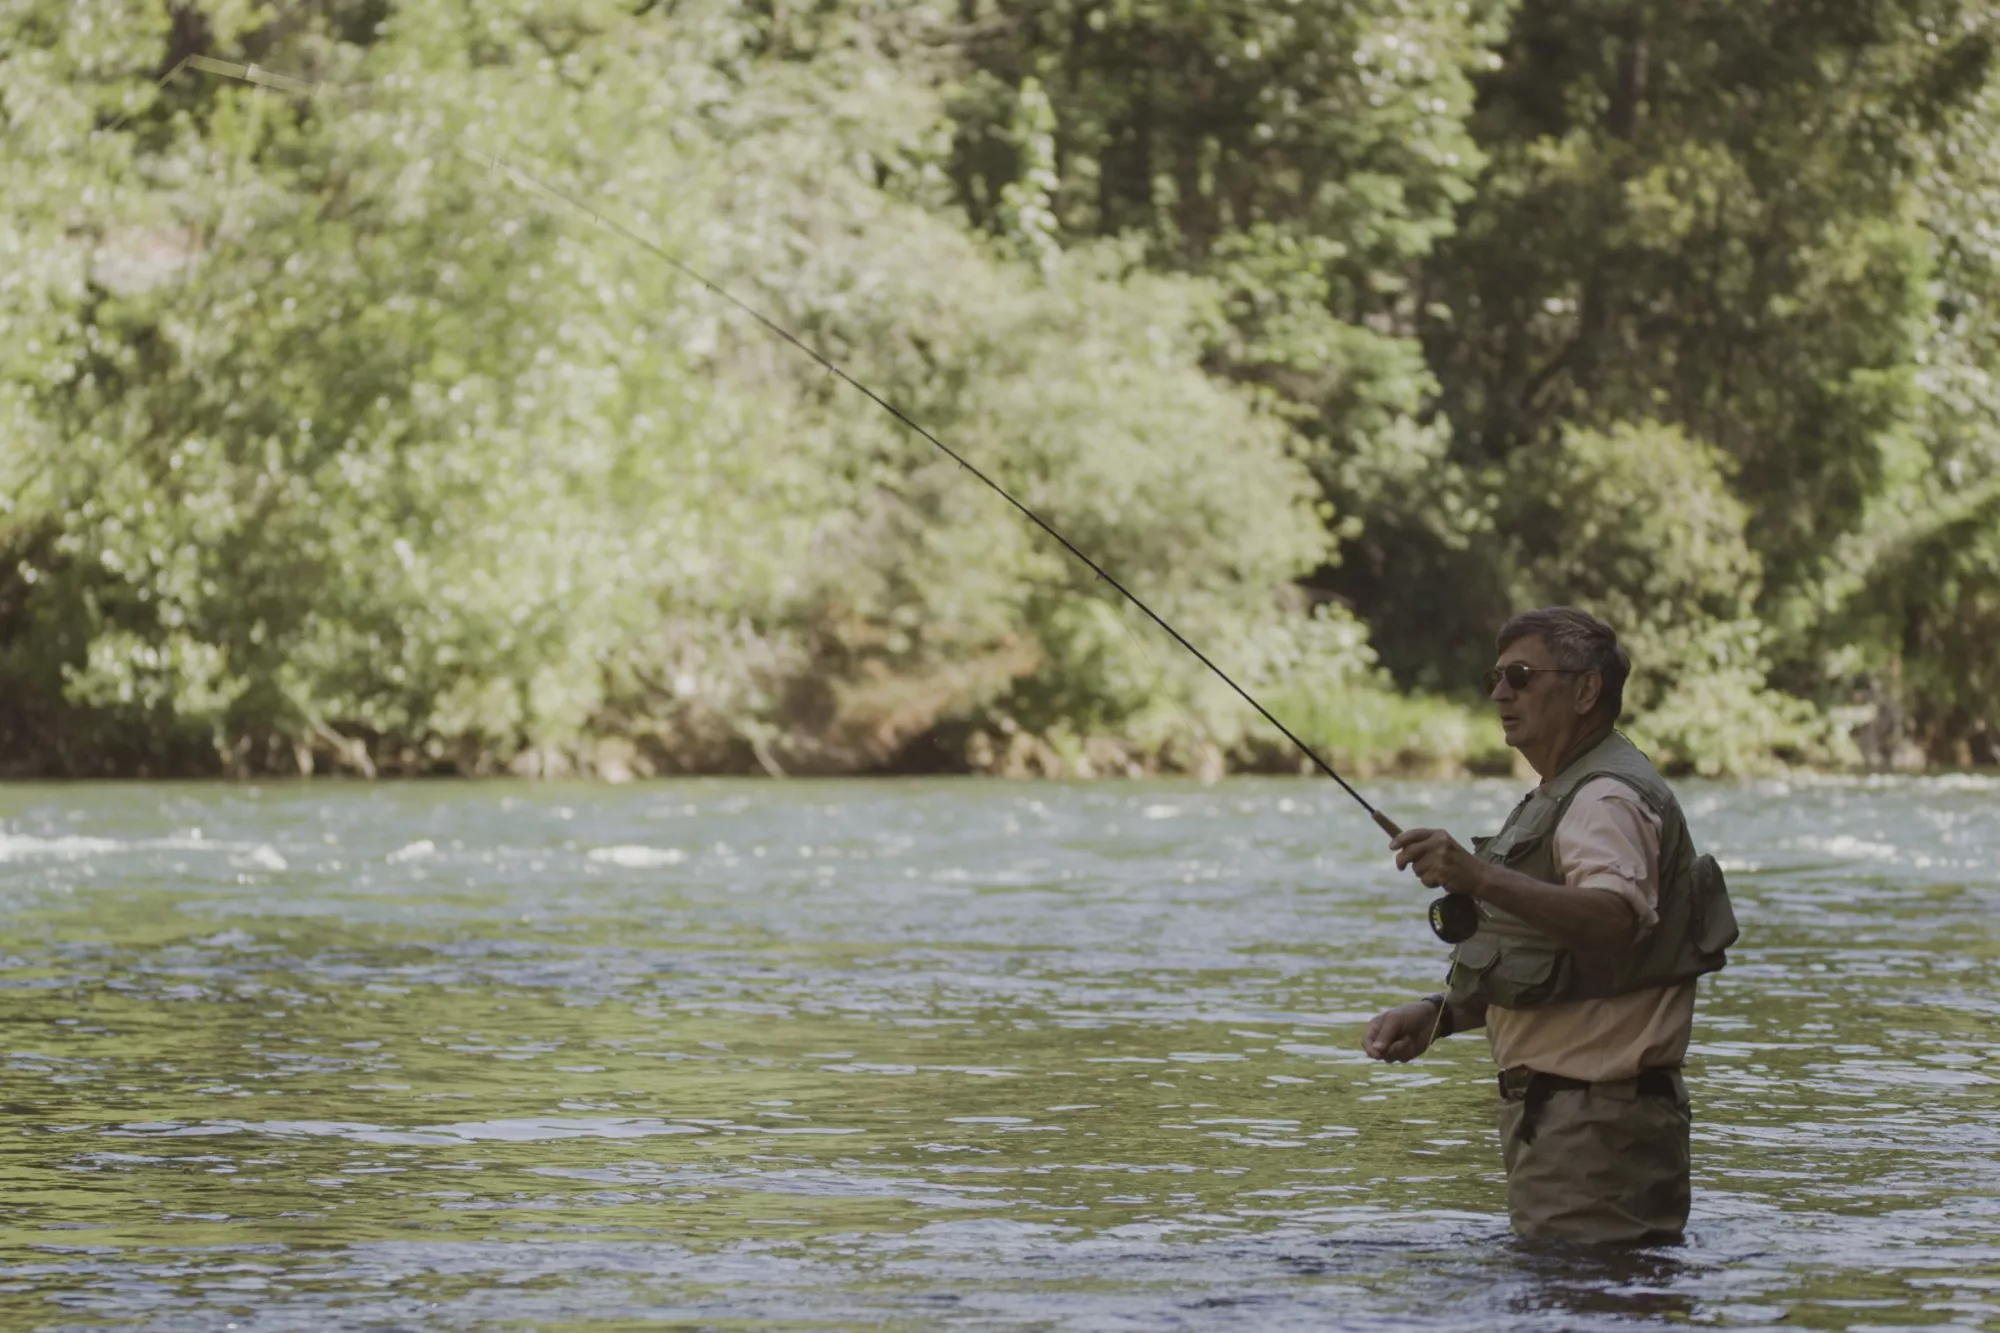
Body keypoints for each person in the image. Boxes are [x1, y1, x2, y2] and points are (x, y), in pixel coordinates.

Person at [1362, 606, 1736, 1245]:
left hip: (1596, 1131)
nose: (1501, 693)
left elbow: (1614, 921)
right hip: (1573, 1125)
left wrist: (1477, 877)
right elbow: (1560, 961)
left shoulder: (1606, 798)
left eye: (1522, 676)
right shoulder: (1563, 791)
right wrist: (1441, 1013)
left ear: (1586, 689)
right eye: (1496, 678)